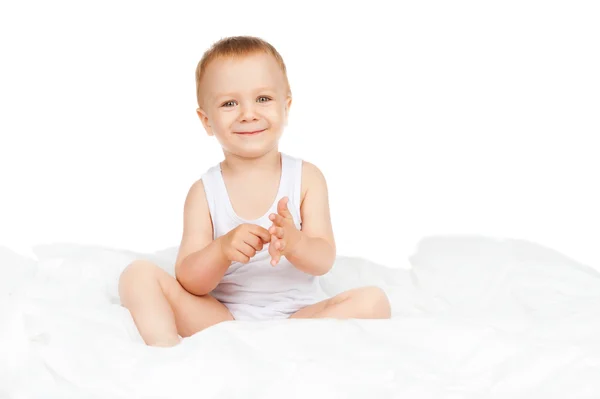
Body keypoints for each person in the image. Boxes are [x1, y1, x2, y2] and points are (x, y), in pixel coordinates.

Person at [118, 36, 391, 347]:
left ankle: (282, 347)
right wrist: (220, 250)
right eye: (229, 103)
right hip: (224, 321)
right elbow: (190, 280)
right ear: (206, 120)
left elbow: (323, 259)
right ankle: (165, 349)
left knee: (374, 301)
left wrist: (296, 242)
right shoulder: (204, 192)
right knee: (136, 275)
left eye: (263, 98)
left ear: (286, 107)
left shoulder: (307, 178)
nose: (248, 113)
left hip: (298, 318)